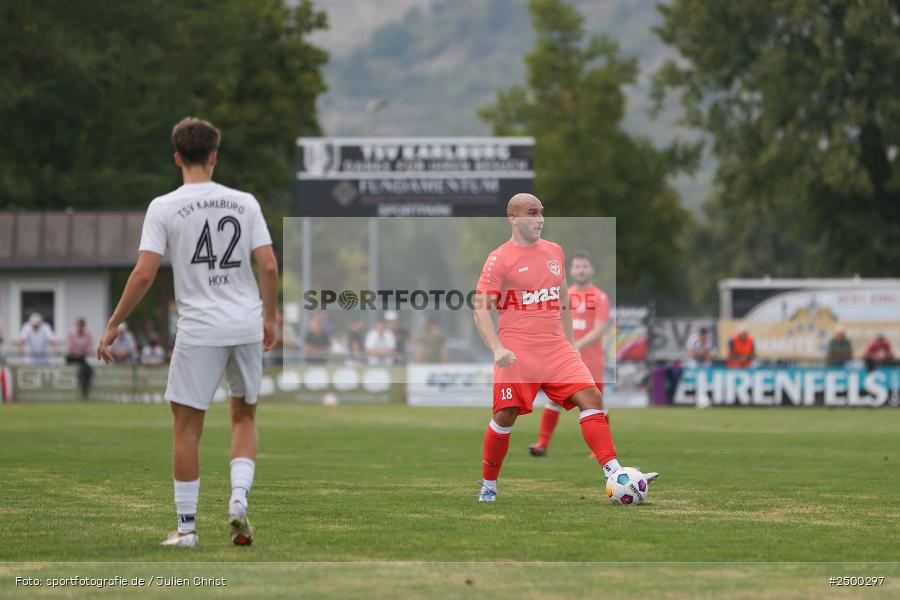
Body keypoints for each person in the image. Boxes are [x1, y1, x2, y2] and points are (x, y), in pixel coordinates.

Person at [97, 117, 278, 548]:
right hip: (245, 323)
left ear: (177, 158)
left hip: (199, 328)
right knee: (245, 414)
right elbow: (268, 265)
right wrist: (268, 317)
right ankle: (237, 499)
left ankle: (187, 528)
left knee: (186, 428)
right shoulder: (245, 202)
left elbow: (144, 273)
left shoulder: (164, 206)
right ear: (214, 157)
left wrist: (114, 321)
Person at [472, 193, 657, 502]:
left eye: (542, 212)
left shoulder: (555, 251)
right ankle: (489, 486)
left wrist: (570, 343)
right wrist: (496, 348)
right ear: (513, 218)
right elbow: (481, 310)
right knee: (505, 416)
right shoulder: (499, 259)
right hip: (517, 352)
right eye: (532, 213)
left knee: (592, 397)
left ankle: (614, 472)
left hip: (556, 348)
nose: (540, 218)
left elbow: (563, 300)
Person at [528, 251, 609, 457]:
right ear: (571, 270)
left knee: (596, 402)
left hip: (591, 361)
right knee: (554, 400)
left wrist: (575, 345)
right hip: (565, 359)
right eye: (577, 266)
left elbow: (599, 329)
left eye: (585, 266)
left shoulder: (600, 296)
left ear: (592, 270)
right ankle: (542, 443)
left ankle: (602, 450)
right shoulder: (565, 294)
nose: (581, 270)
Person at [66, 318, 94, 399]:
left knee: (88, 371)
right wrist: (78, 352)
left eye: (81, 326)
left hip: (82, 358)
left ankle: (85, 392)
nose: (80, 327)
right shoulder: (71, 334)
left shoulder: (88, 335)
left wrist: (83, 352)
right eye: (78, 326)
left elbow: (89, 348)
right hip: (72, 357)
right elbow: (70, 347)